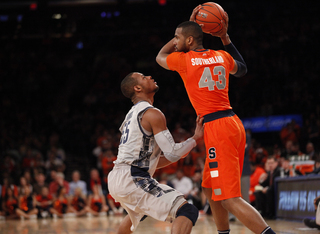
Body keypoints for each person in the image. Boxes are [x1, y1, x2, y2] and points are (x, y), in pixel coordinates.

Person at [156, 5, 276, 234]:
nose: (174, 41)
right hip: (231, 123)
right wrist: (224, 36)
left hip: (218, 128)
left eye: (177, 38)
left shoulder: (185, 60)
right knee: (210, 189)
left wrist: (182, 32)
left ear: (189, 41)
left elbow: (160, 56)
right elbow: (242, 69)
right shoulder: (221, 55)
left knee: (230, 199)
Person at [108, 72, 204, 234]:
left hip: (118, 177)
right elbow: (173, 153)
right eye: (144, 77)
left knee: (138, 212)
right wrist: (194, 139)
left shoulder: (130, 115)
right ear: (137, 88)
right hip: (133, 178)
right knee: (187, 211)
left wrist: (181, 151)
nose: (150, 77)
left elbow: (155, 161)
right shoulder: (152, 113)